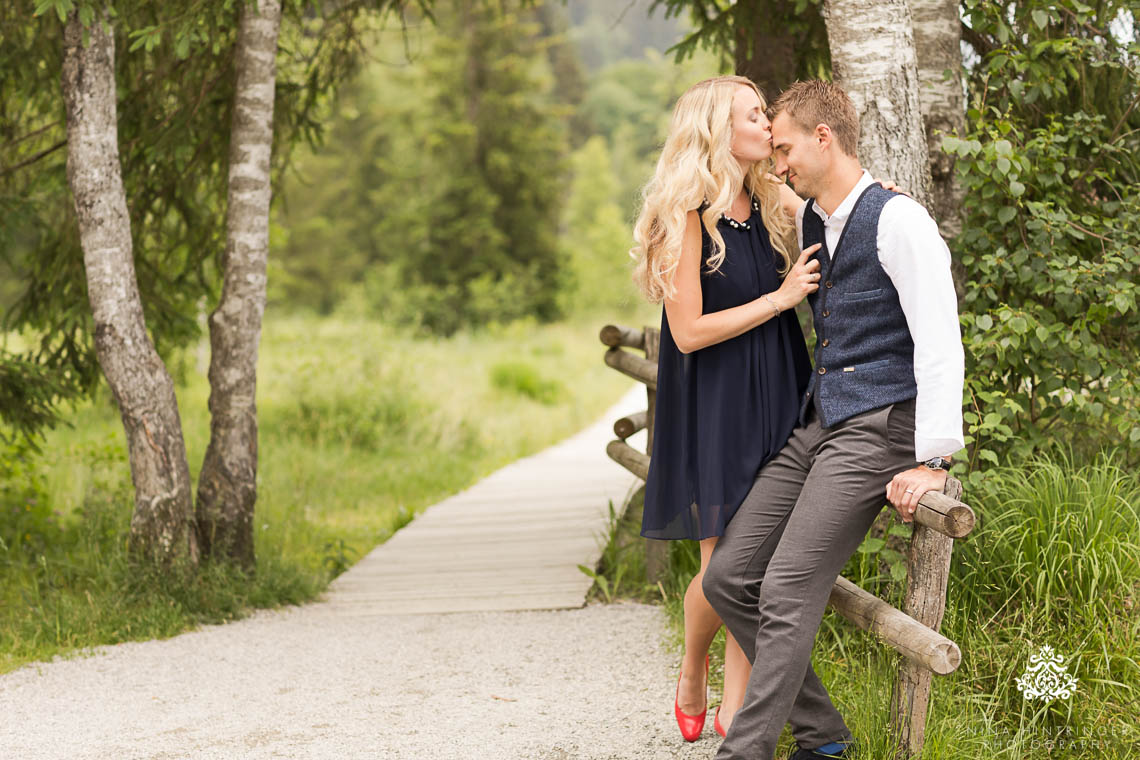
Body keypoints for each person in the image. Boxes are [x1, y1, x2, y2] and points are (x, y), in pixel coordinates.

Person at [700, 80, 965, 760]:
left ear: (824, 137)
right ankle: (822, 736)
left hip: (882, 427)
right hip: (822, 422)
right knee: (730, 577)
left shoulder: (901, 222)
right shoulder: (816, 216)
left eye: (785, 147)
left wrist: (931, 459)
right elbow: (725, 200)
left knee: (787, 586)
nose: (777, 162)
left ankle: (746, 750)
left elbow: (939, 344)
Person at [629, 75, 824, 742]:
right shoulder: (684, 216)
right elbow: (686, 333)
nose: (769, 124)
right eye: (754, 114)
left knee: (762, 561)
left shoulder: (776, 206)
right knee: (724, 566)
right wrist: (780, 299)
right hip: (717, 401)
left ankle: (737, 710)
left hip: (779, 388)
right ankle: (692, 666)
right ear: (718, 130)